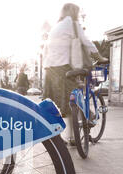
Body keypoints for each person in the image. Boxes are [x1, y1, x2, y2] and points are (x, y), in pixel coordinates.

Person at [43, 3, 107, 145]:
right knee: (73, 101)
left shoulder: (56, 26)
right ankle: (74, 136)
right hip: (63, 69)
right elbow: (86, 42)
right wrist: (99, 56)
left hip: (49, 69)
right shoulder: (72, 24)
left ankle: (59, 137)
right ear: (73, 12)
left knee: (55, 105)